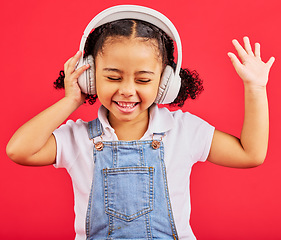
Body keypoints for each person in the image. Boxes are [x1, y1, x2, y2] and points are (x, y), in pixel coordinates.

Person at [6, 5, 274, 240]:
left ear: (165, 83)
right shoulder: (77, 138)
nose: (127, 89)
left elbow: (250, 154)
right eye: (112, 77)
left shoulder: (183, 131)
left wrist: (255, 88)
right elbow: (19, 150)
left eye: (143, 80)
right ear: (90, 77)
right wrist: (71, 100)